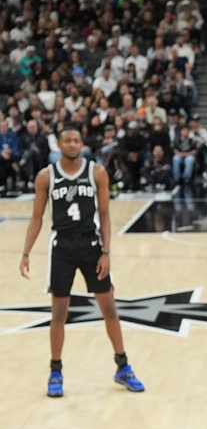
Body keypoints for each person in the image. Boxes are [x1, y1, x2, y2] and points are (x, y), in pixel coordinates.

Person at [18, 124, 144, 397]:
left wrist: (107, 252)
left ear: (82, 144)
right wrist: (26, 253)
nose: (73, 144)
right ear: (60, 144)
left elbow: (106, 216)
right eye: (68, 140)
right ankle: (55, 371)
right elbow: (37, 218)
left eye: (77, 140)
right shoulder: (45, 176)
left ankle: (122, 367)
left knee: (109, 308)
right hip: (61, 246)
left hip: (92, 247)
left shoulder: (96, 172)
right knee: (59, 314)